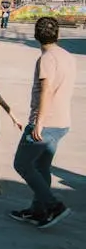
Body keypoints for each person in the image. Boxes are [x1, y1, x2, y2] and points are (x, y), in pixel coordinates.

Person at [10, 17, 77, 228]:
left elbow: (46, 91)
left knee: (21, 164)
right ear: (57, 34)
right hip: (61, 122)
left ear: (36, 35)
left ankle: (53, 205)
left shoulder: (47, 59)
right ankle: (38, 211)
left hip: (46, 123)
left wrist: (39, 122)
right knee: (41, 166)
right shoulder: (67, 56)